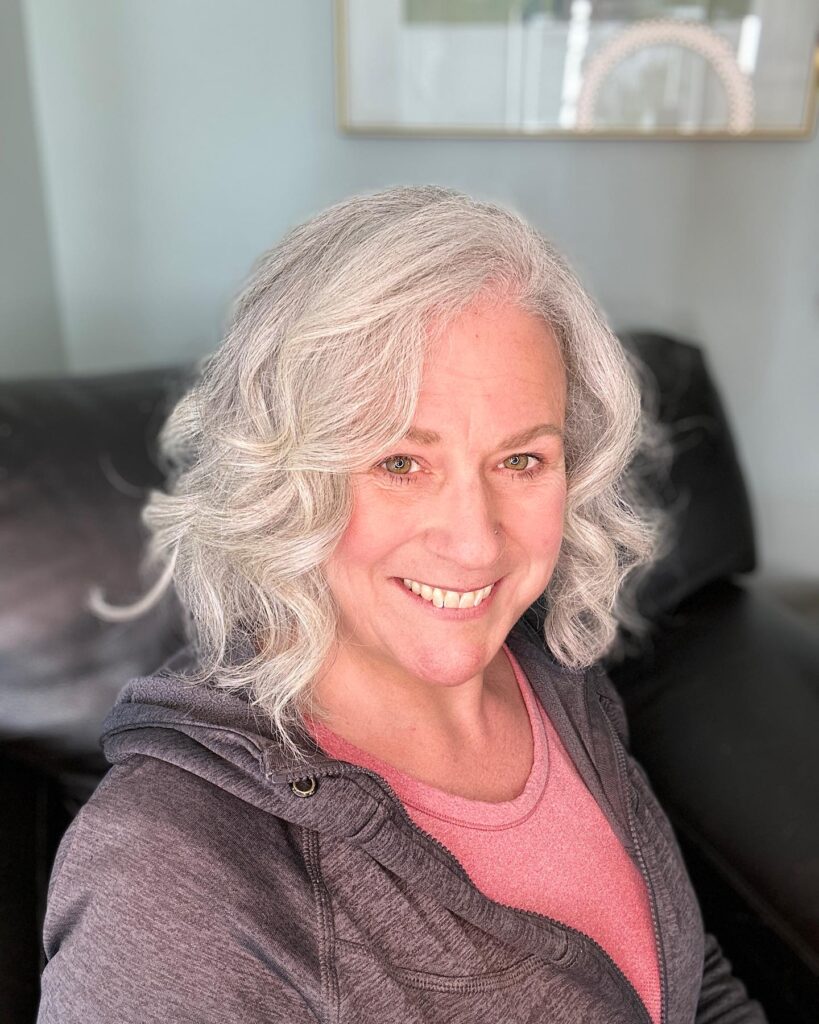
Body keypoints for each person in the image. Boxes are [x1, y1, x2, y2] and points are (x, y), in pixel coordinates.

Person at [37, 185, 766, 1023]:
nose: (475, 542)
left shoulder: (556, 681)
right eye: (398, 462)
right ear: (283, 480)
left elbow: (687, 978)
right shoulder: (168, 873)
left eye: (522, 460)